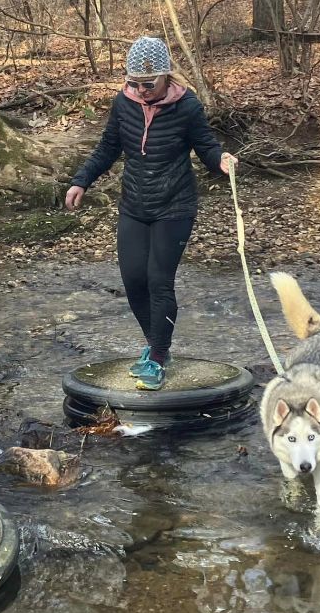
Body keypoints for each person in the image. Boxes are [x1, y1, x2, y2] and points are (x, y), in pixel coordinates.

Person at [65, 36, 236, 390]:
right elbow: (108, 148)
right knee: (133, 281)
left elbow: (205, 145)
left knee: (159, 280)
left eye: (148, 84)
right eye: (134, 83)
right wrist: (81, 181)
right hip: (134, 205)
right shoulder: (123, 104)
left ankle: (158, 356)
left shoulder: (186, 107)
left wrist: (221, 160)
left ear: (165, 77)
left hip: (175, 206)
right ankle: (155, 344)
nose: (141, 90)